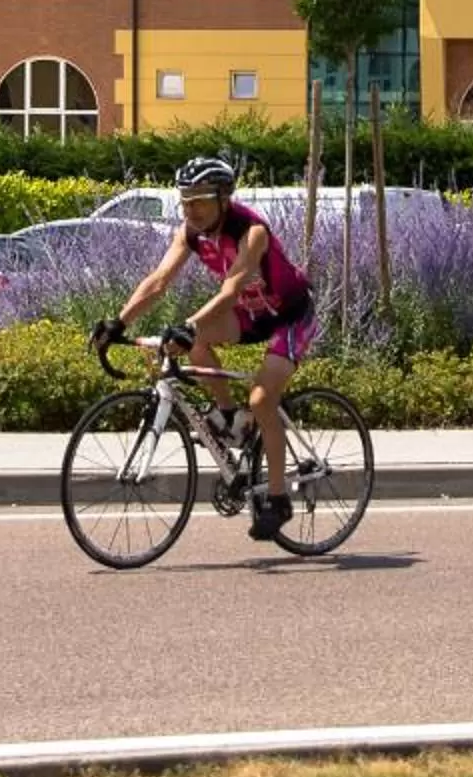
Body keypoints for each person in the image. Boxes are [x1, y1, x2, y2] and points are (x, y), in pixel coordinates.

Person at [94, 157, 315, 543]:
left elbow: (230, 291)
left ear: (224, 199)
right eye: (184, 201)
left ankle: (278, 500)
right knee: (192, 345)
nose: (189, 209)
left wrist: (190, 325)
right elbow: (159, 281)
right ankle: (230, 418)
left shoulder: (252, 232)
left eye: (198, 201)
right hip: (252, 313)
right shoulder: (191, 233)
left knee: (263, 399)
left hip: (289, 315)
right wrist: (119, 322)